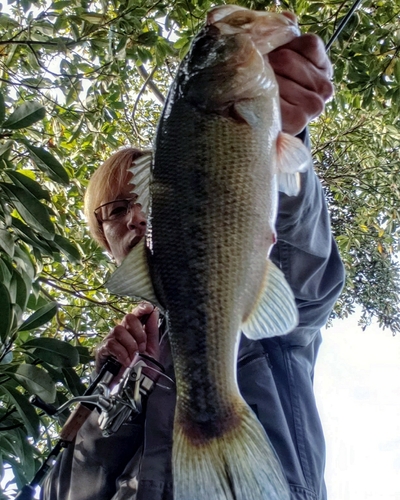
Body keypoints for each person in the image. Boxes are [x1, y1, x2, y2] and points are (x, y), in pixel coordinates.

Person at [41, 23, 345, 500]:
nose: (137, 214)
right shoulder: (114, 373)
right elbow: (67, 492)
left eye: (148, 198)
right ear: (105, 240)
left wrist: (282, 133)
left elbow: (305, 272)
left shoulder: (254, 295)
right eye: (116, 209)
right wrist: (107, 398)